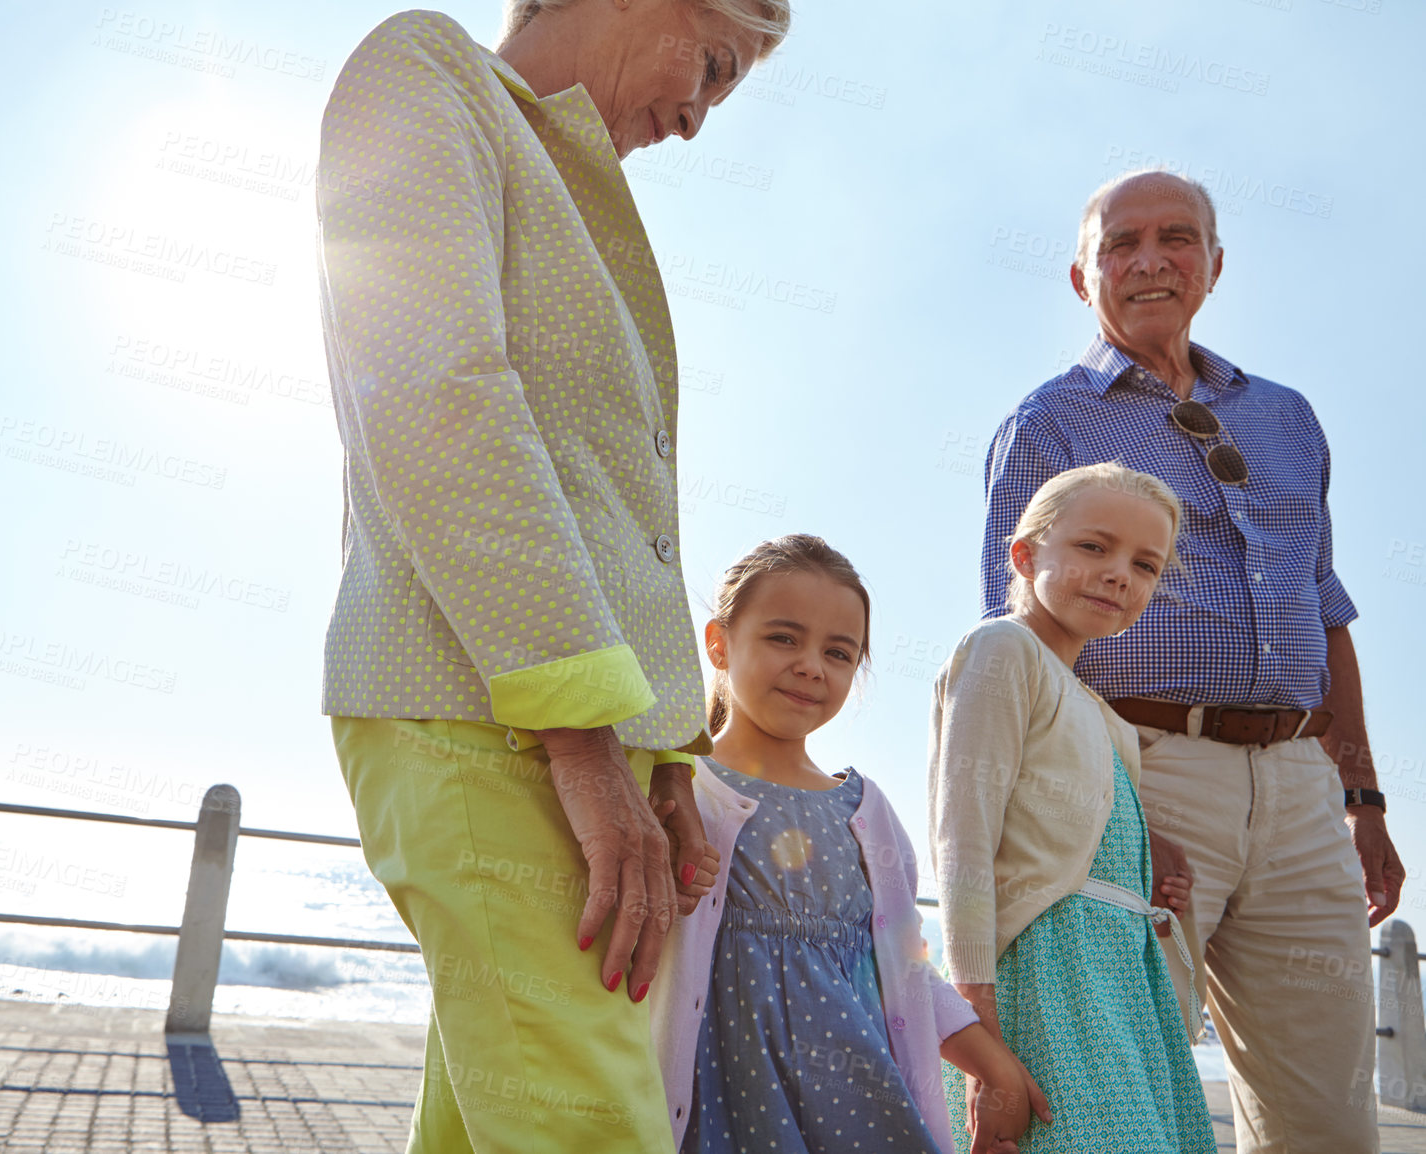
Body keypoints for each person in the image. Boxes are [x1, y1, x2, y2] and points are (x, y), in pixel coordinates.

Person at [314, 1, 790, 1149]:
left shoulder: (556, 167)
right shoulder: (427, 65)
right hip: (488, 717)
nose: (696, 122)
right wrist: (584, 742)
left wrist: (663, 750)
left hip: (568, 732)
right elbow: (436, 386)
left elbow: (594, 499)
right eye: (713, 65)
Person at [980, 168, 1404, 1153]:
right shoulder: (1047, 422)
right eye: (1118, 243)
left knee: (1331, 1121)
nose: (1147, 258)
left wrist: (1364, 800)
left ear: (1214, 264)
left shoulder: (1288, 417)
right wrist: (1114, 812)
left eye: (1175, 237)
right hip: (1142, 771)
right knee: (1119, 1100)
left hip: (1303, 784)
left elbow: (1324, 606)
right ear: (1082, 278)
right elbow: (1016, 634)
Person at [650, 534, 1047, 1154]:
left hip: (859, 1112)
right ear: (719, 644)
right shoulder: (677, 788)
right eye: (784, 637)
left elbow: (903, 967)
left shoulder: (867, 811)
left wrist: (990, 1065)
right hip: (715, 1111)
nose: (812, 665)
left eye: (839, 652)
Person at [933, 463, 1216, 1153]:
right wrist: (981, 1040)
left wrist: (1144, 884)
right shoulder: (1004, 649)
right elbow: (962, 841)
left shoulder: (1106, 716)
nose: (1121, 573)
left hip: (1119, 990)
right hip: (1042, 980)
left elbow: (1079, 841)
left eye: (1146, 564)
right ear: (1025, 556)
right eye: (1095, 547)